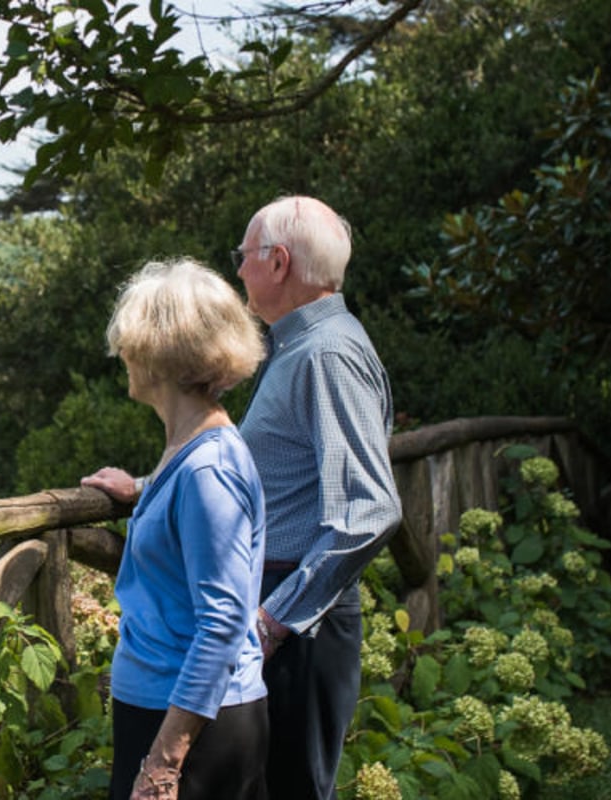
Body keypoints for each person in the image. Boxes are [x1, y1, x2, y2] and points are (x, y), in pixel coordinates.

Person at [88, 196, 402, 800]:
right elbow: (264, 473)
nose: (238, 271)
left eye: (245, 255)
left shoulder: (327, 354)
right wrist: (147, 490)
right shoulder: (300, 346)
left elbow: (370, 508)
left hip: (292, 616)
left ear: (278, 262)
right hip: (272, 604)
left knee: (297, 791)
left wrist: (273, 620)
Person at [80, 258, 270, 800]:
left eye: (129, 345)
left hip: (190, 725)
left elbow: (224, 622)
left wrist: (165, 760)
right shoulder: (189, 455)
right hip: (179, 711)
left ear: (157, 353)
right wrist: (143, 490)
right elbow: (193, 520)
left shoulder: (208, 470)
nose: (123, 357)